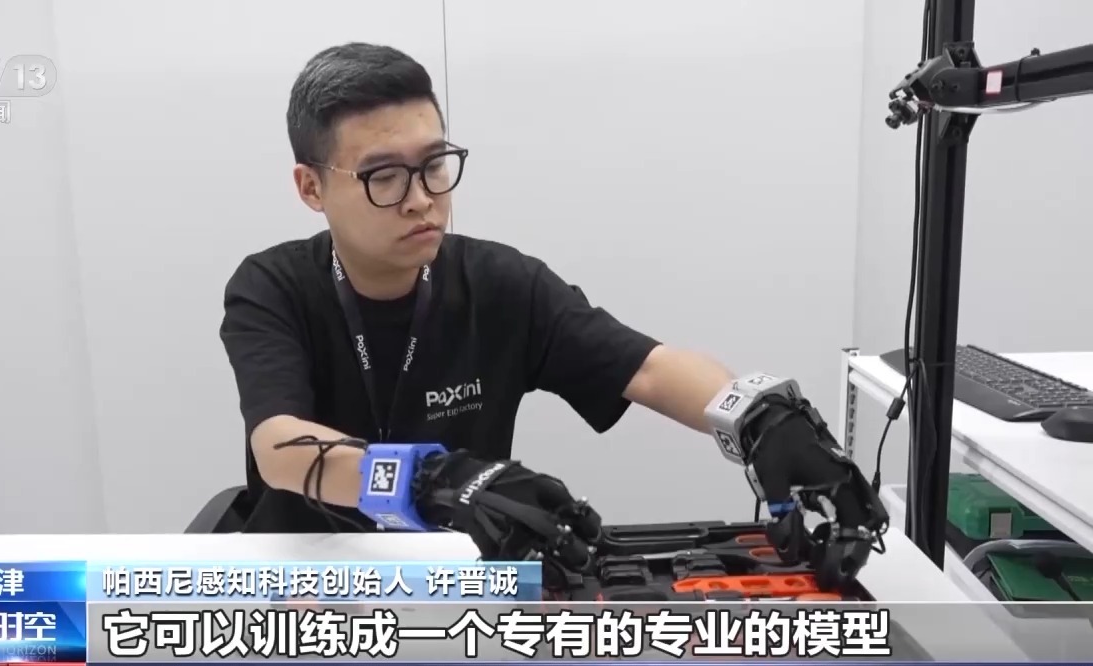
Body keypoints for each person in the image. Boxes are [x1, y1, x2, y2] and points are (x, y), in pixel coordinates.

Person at [220, 43, 880, 556]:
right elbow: (279, 446)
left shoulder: (499, 282)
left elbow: (649, 368)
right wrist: (432, 480)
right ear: (311, 187)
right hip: (306, 575)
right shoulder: (272, 287)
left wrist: (759, 417)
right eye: (384, 176)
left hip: (458, 578)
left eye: (434, 165)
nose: (421, 199)